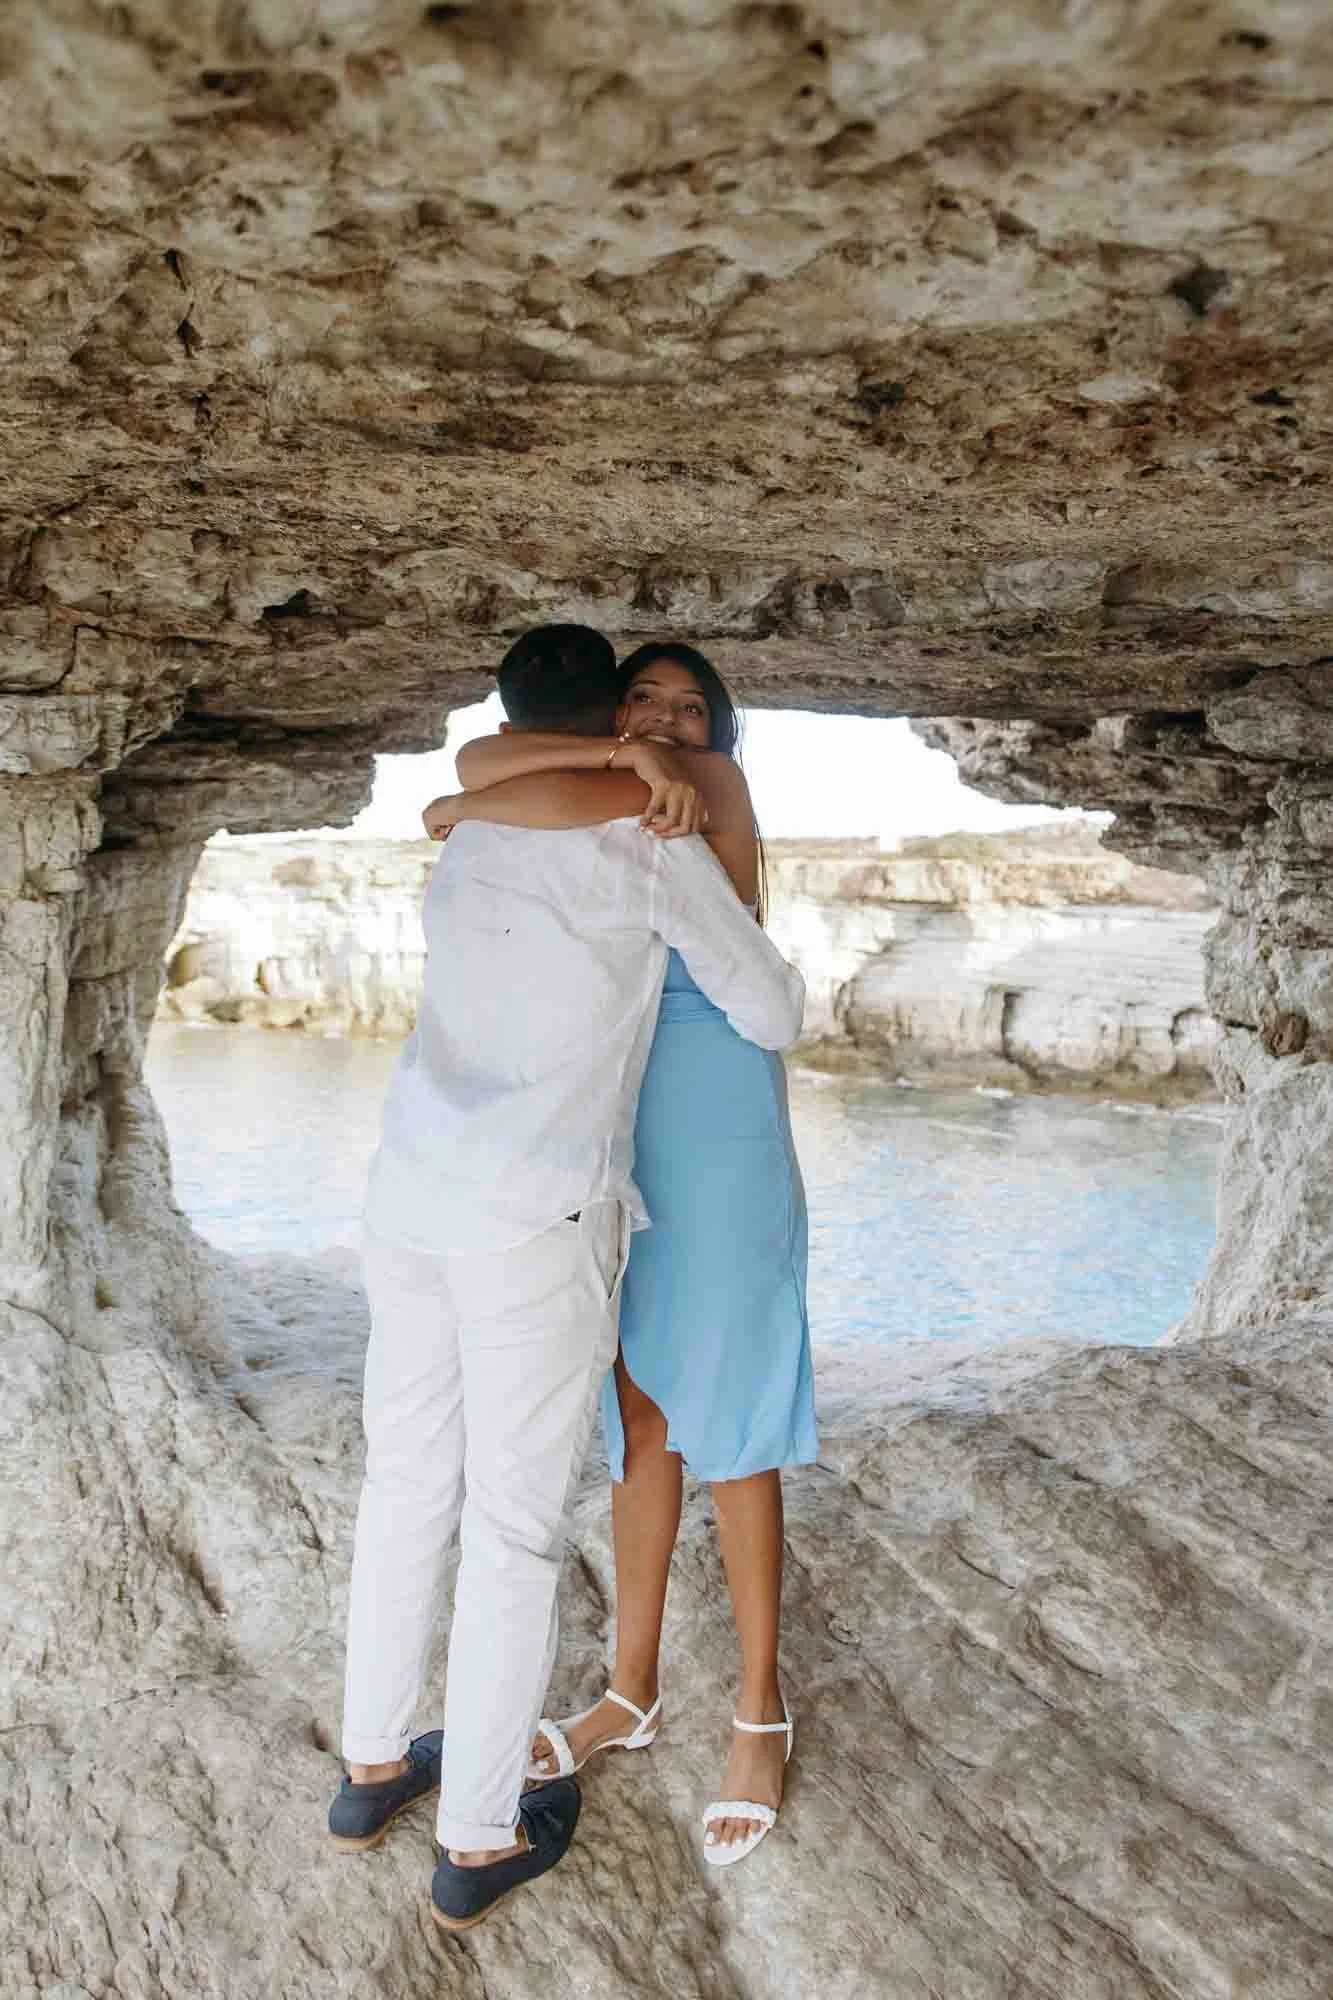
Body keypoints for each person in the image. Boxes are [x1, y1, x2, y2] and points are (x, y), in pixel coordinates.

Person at [329, 625, 805, 1929]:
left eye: (685, 707)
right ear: (605, 722)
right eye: (640, 705)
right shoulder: (636, 840)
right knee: (515, 1524)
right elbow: (772, 1008)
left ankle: (370, 1767)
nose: (663, 723)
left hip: (416, 1194)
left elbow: (466, 780)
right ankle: (480, 1835)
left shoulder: (480, 828)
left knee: (412, 1482)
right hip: (536, 1212)